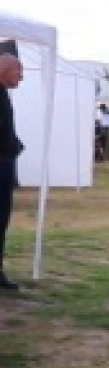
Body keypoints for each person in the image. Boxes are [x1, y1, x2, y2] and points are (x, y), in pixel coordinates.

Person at [0, 53, 25, 290]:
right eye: (19, 72)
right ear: (5, 69)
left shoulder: (4, 93)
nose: (22, 77)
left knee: (1, 221)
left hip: (5, 165)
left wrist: (14, 143)